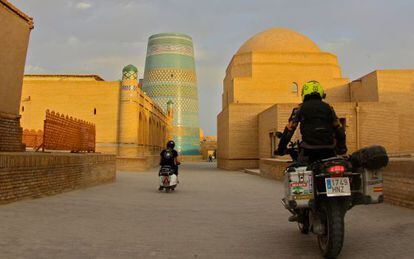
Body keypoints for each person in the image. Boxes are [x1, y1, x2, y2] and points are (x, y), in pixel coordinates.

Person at [275, 81, 347, 164]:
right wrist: (342, 148)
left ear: (304, 93)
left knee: (297, 170)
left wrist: (281, 149)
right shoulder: (329, 108)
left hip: (308, 150)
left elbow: (289, 130)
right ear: (320, 93)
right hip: (329, 149)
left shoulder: (300, 108)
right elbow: (339, 129)